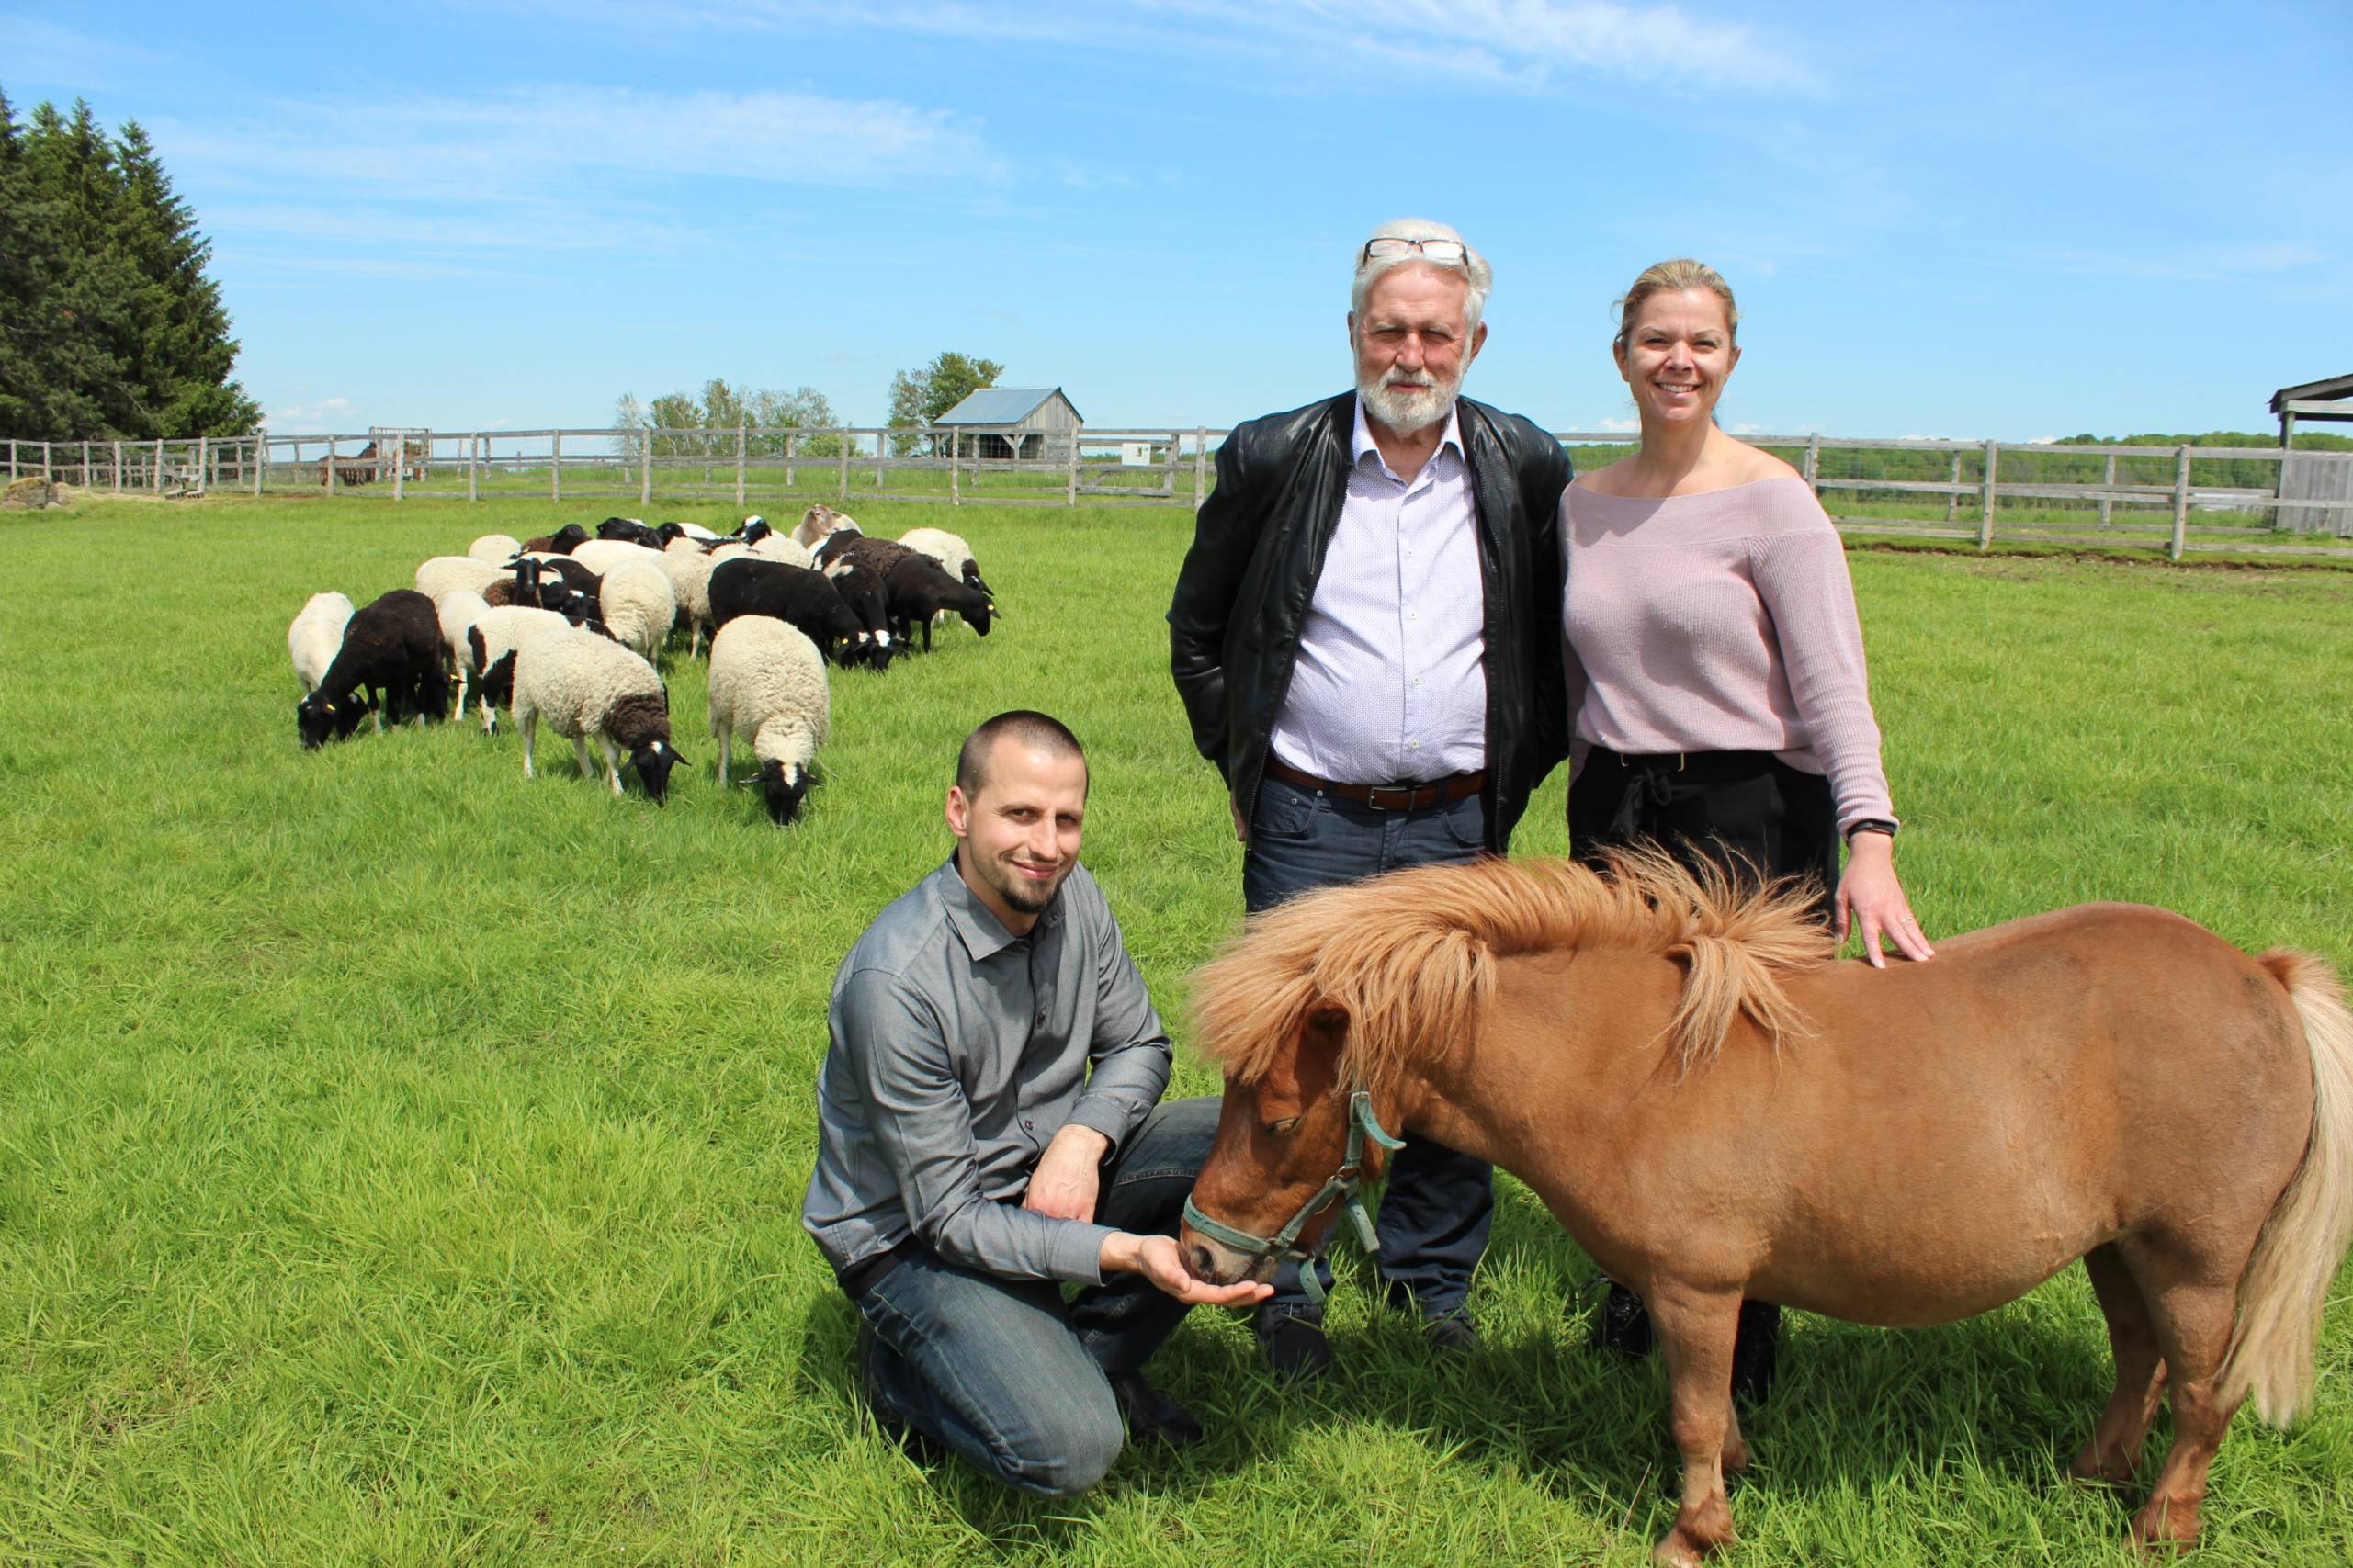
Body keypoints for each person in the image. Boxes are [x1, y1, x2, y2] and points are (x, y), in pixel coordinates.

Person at [1167, 219, 1573, 1378]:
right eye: (1387, 328)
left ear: (1472, 343)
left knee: (1448, 1058)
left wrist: (1503, 787)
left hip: (1457, 820)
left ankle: (1430, 1283)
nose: (1409, 352)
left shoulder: (1523, 463)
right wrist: (1240, 770)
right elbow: (1198, 633)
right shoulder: (1272, 455)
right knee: (1288, 1063)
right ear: (1352, 333)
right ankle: (1283, 1286)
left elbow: (1548, 654)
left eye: (1433, 332)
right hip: (1307, 818)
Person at [1562, 256, 1934, 1402]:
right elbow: (1578, 676)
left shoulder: (1775, 503)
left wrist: (1866, 840)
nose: (1677, 360)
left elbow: (1834, 688)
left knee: (1740, 1068)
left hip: (1748, 811)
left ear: (1729, 358)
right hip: (1618, 809)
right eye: (1655, 339)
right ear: (1619, 352)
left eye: (1701, 343)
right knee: (1630, 1049)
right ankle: (1639, 1281)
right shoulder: (1581, 502)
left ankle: (1751, 1322)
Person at [801, 711, 1269, 1495]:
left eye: (1066, 819)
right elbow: (949, 1218)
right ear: (959, 810)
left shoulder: (1073, 894)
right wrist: (1124, 1250)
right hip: (913, 1236)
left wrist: (1081, 1137)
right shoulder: (896, 984)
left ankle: (1087, 1356)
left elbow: (1140, 1046)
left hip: (1042, 1170)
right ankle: (903, 1373)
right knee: (1072, 1449)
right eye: (1018, 814)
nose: (1045, 845)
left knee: (1233, 1143)